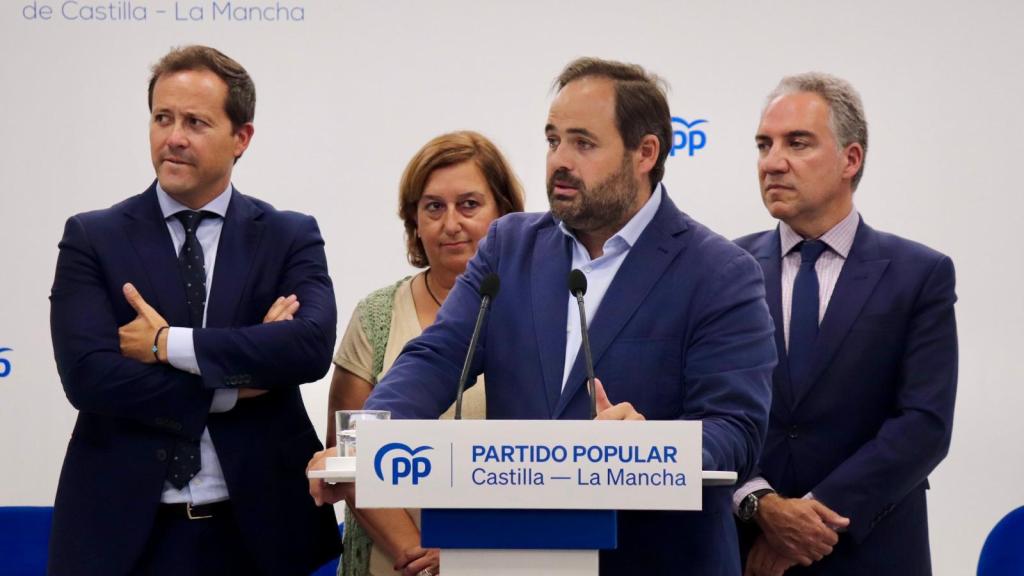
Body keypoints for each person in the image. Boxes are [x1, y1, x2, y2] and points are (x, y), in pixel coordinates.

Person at [310, 57, 777, 575]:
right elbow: (436, 358)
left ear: (645, 152)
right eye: (553, 140)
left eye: (583, 143)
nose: (559, 160)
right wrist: (364, 446)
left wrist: (652, 449)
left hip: (652, 558)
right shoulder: (509, 247)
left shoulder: (719, 271)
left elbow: (737, 430)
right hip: (517, 556)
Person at [48, 45, 340, 575]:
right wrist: (234, 383)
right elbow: (89, 377)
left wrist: (165, 347)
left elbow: (308, 347)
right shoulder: (93, 237)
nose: (173, 137)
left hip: (258, 532)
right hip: (124, 534)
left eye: (195, 122)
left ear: (241, 138)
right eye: (162, 118)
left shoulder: (288, 235)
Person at [732, 73, 958, 576]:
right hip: (747, 552)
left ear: (850, 160)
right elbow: (703, 409)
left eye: (797, 143)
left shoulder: (919, 275)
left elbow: (924, 424)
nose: (772, 162)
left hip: (869, 551)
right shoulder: (724, 270)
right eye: (763, 145)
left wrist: (808, 524)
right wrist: (763, 506)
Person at [326, 131, 524, 576]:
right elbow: (348, 454)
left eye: (469, 205)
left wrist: (465, 555)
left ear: (505, 215)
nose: (450, 223)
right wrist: (415, 553)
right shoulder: (376, 315)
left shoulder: (540, 316)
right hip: (394, 563)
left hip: (504, 557)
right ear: (414, 221)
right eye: (433, 207)